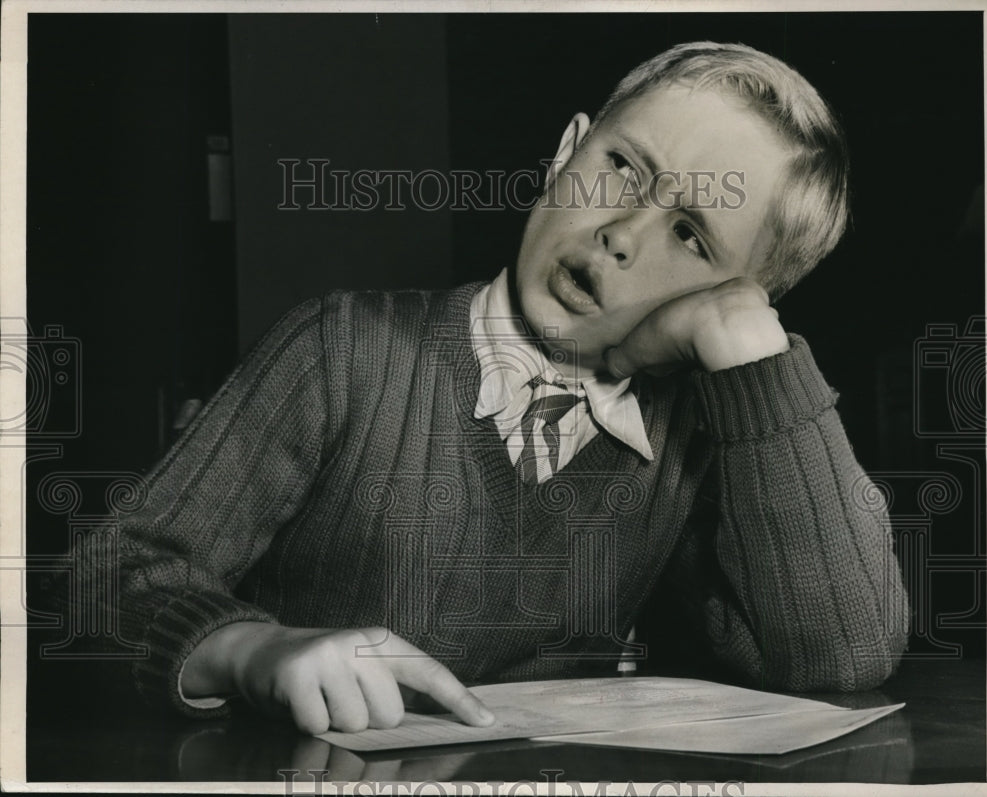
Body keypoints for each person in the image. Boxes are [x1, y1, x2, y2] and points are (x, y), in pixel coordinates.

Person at [80, 41, 909, 736]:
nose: (620, 234)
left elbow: (844, 651)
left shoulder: (688, 443)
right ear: (566, 151)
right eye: (621, 168)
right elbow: (102, 581)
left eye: (690, 234)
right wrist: (248, 649)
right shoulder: (345, 350)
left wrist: (754, 355)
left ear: (733, 295)